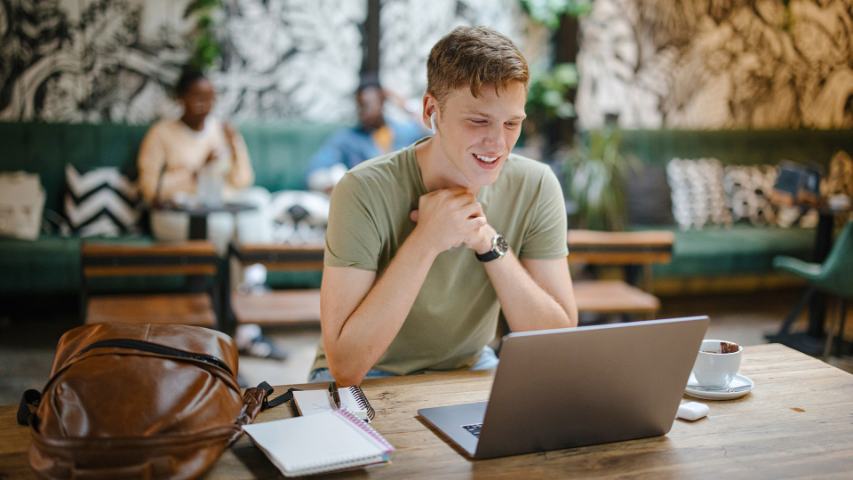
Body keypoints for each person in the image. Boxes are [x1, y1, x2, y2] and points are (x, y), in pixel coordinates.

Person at [310, 27, 579, 386]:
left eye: (512, 123)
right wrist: (427, 240)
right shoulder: (361, 189)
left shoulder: (536, 185)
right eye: (479, 120)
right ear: (430, 111)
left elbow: (557, 343)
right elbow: (346, 366)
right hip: (368, 377)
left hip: (470, 367)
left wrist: (488, 242)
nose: (498, 143)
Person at [137, 66, 284, 360]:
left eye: (210, 97)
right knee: (221, 227)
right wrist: (197, 169)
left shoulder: (221, 130)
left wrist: (233, 144)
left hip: (219, 209)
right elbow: (149, 189)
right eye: (196, 97)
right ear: (181, 98)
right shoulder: (161, 133)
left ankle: (252, 278)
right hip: (176, 215)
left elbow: (243, 181)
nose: (205, 104)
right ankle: (242, 319)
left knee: (257, 199)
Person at [305, 74, 427, 193]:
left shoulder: (406, 132)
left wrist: (404, 105)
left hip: (406, 197)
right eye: (359, 105)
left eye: (368, 104)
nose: (363, 111)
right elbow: (315, 173)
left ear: (382, 101)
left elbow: (435, 133)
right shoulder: (347, 138)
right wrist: (339, 182)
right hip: (368, 198)